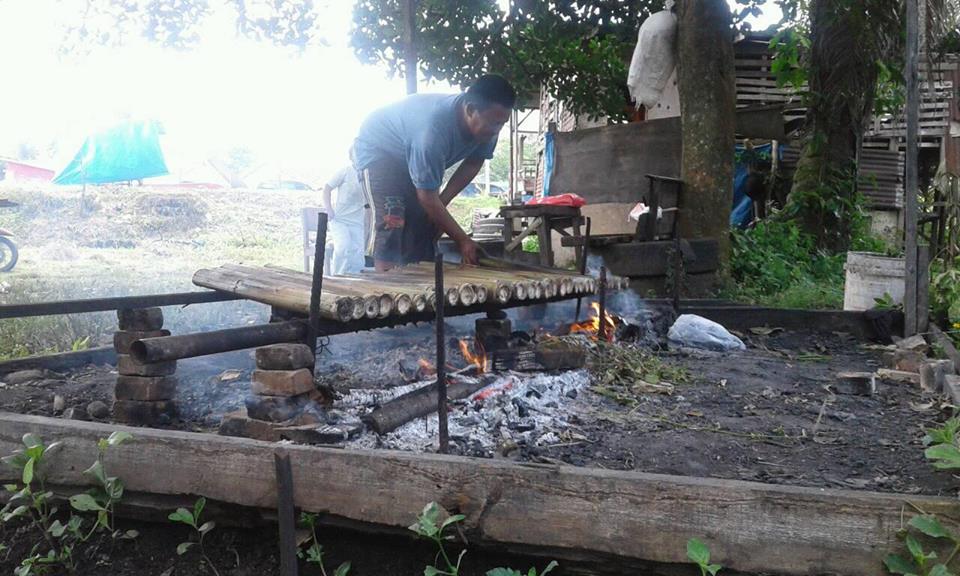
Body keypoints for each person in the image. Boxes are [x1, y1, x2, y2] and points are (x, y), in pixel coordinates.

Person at [351, 74, 515, 271]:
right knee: (393, 217)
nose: (496, 130)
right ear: (470, 110)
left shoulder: (488, 129)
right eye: (493, 123)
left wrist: (443, 201)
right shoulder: (431, 133)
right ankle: (387, 286)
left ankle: (423, 284)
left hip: (410, 153)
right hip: (379, 152)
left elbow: (473, 162)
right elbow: (427, 197)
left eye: (502, 123)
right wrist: (463, 241)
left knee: (426, 221)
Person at [321, 164, 367, 275]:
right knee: (343, 246)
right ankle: (338, 276)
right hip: (339, 219)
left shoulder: (369, 174)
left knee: (357, 251)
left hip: (357, 221)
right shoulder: (346, 171)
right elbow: (327, 188)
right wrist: (329, 209)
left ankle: (356, 279)